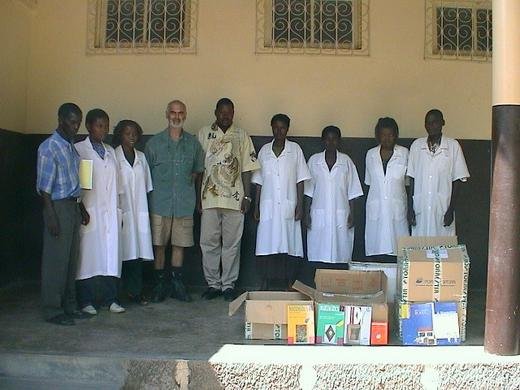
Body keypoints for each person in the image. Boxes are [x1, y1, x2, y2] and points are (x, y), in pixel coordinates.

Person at [198, 98, 260, 301]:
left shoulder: (242, 136)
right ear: (215, 112)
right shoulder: (204, 133)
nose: (225, 116)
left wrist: (248, 196)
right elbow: (199, 169)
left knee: (232, 244)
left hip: (235, 200)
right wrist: (197, 197)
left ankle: (228, 285)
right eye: (222, 112)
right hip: (209, 198)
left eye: (229, 112)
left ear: (233, 113)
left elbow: (247, 169)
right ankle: (213, 284)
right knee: (208, 243)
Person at [145, 100, 204, 302]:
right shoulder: (154, 144)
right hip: (159, 203)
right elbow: (145, 175)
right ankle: (160, 286)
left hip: (184, 204)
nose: (176, 116)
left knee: (180, 245)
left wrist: (197, 201)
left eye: (180, 113)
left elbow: (197, 173)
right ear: (166, 114)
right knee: (159, 245)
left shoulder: (193, 144)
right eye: (172, 112)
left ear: (185, 115)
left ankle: (177, 285)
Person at [36, 103, 90, 325]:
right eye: (71, 121)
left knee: (70, 261)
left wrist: (81, 207)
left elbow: (74, 182)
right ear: (60, 119)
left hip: (72, 206)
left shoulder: (69, 145)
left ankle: (69, 305)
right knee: (55, 262)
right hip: (57, 207)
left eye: (78, 121)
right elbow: (44, 189)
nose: (75, 126)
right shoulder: (49, 147)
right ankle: (52, 309)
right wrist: (51, 216)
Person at [75, 109, 125, 314]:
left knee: (111, 256)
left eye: (106, 125)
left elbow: (119, 185)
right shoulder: (79, 149)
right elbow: (78, 185)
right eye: (99, 125)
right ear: (88, 126)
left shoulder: (111, 151)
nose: (103, 130)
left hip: (111, 213)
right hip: (89, 211)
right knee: (87, 257)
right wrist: (81, 208)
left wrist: (120, 211)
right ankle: (86, 300)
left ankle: (110, 299)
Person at [252, 114, 311, 290]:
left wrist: (300, 205)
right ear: (271, 127)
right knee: (266, 245)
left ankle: (288, 282)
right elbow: (259, 181)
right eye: (276, 127)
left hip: (288, 205)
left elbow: (300, 180)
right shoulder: (264, 151)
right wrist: (256, 206)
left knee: (289, 246)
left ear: (287, 129)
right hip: (268, 205)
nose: (279, 131)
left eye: (282, 127)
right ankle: (265, 282)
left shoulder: (295, 150)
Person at [304, 126, 363, 265]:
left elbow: (353, 191)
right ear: (323, 141)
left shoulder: (346, 161)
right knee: (319, 251)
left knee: (341, 251)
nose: (331, 142)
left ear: (339, 141)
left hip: (341, 214)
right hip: (319, 214)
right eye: (327, 139)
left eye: (334, 139)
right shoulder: (314, 161)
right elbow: (308, 192)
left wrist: (352, 214)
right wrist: (307, 214)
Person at [407, 109, 470, 236]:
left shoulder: (453, 146)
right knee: (420, 248)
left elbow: (458, 180)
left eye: (435, 122)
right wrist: (410, 208)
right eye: (428, 123)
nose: (431, 126)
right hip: (421, 207)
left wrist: (451, 209)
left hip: (443, 208)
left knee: (442, 249)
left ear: (443, 123)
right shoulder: (416, 146)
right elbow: (412, 178)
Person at [113, 120, 153, 304]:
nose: (131, 137)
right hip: (120, 213)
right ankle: (118, 294)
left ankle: (135, 293)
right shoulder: (113, 157)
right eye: (127, 133)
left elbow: (146, 188)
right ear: (120, 135)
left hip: (139, 213)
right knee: (120, 253)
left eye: (135, 133)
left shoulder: (142, 158)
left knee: (137, 254)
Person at [364, 117, 410, 258]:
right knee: (376, 249)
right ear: (378, 135)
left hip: (397, 208)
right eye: (383, 135)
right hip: (376, 208)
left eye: (390, 135)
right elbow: (369, 183)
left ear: (396, 135)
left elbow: (408, 183)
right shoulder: (370, 154)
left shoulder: (404, 153)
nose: (387, 138)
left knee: (398, 250)